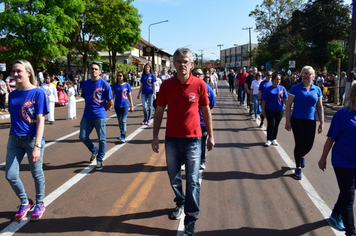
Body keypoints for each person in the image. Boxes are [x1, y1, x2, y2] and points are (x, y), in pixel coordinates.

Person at [152, 48, 214, 236]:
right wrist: (155, 136)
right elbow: (159, 111)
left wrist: (210, 135)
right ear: (174, 64)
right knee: (174, 177)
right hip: (171, 139)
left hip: (194, 140)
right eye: (178, 61)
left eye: (185, 61)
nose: (182, 64)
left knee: (193, 181)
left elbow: (206, 111)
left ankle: (191, 219)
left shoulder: (199, 84)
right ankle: (180, 202)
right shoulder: (166, 86)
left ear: (191, 64)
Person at [5, 59, 48, 221]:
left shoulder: (38, 93)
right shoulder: (13, 94)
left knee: (36, 173)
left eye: (18, 71)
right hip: (14, 139)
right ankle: (25, 201)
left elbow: (40, 120)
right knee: (10, 175)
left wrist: (37, 146)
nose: (15, 74)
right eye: (13, 71)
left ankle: (40, 203)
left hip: (32, 140)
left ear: (28, 73)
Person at [318, 84, 356, 235]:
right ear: (354, 95)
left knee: (348, 191)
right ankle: (351, 232)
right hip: (343, 161)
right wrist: (323, 158)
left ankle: (335, 214)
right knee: (349, 198)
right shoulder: (341, 115)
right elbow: (330, 139)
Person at [285, 65, 324, 180]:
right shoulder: (295, 88)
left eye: (308, 74)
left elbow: (320, 107)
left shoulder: (317, 89)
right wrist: (288, 121)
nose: (306, 76)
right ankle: (298, 168)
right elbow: (288, 105)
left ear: (313, 76)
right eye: (304, 73)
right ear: (301, 75)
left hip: (311, 121)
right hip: (297, 120)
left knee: (309, 145)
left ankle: (302, 155)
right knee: (299, 143)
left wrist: (321, 122)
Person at [79, 62, 113, 171]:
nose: (93, 71)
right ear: (89, 71)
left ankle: (99, 159)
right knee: (83, 136)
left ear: (100, 72)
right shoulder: (85, 84)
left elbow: (110, 101)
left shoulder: (104, 84)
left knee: (102, 138)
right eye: (92, 69)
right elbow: (86, 97)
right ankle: (94, 150)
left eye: (96, 69)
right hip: (87, 115)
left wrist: (103, 110)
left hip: (100, 116)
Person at [192, 67, 216, 170]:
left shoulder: (208, 89)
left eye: (199, 74)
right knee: (189, 143)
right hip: (191, 122)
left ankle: (202, 161)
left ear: (203, 76)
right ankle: (184, 162)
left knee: (201, 143)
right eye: (195, 74)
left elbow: (212, 105)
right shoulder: (189, 87)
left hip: (202, 122)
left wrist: (204, 113)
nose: (197, 76)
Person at [261, 73, 288, 146]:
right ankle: (268, 139)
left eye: (279, 79)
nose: (278, 81)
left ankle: (274, 139)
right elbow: (263, 100)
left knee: (276, 125)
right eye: (276, 79)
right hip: (270, 109)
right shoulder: (268, 89)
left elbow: (285, 99)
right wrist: (263, 110)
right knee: (271, 124)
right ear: (272, 80)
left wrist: (287, 106)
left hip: (280, 110)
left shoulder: (282, 88)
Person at [112, 71, 133, 143]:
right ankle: (121, 133)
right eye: (118, 75)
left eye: (120, 75)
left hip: (125, 105)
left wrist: (131, 105)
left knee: (123, 120)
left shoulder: (127, 85)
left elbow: (130, 96)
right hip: (117, 105)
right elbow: (113, 96)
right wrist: (110, 104)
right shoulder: (115, 85)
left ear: (123, 76)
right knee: (119, 121)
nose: (119, 77)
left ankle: (123, 135)